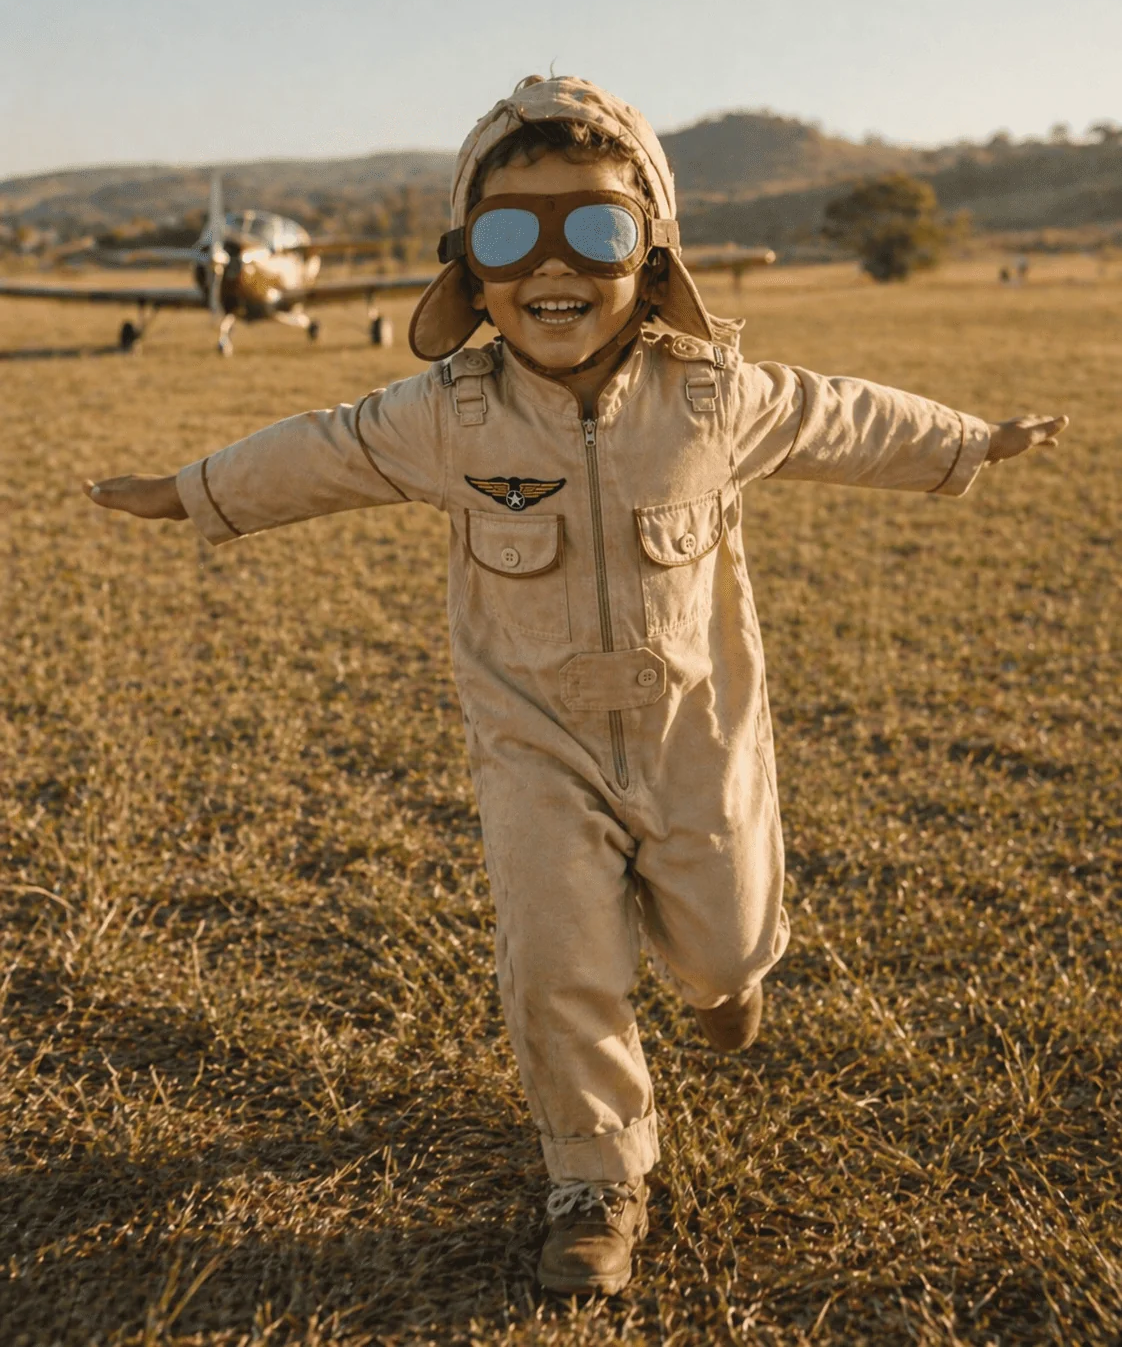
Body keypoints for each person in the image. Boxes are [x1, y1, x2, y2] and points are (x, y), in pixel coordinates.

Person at [83, 76, 1068, 1296]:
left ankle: (726, 978)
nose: (553, 266)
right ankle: (596, 1176)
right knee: (556, 957)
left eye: (594, 229)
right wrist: (189, 492)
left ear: (651, 255)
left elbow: (841, 416)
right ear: (470, 266)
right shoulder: (449, 414)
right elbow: (326, 448)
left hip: (696, 729)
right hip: (535, 739)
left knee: (725, 939)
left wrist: (972, 440)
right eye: (512, 234)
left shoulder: (715, 395)